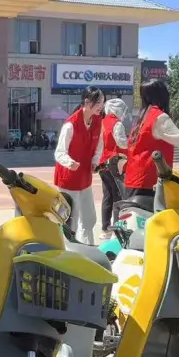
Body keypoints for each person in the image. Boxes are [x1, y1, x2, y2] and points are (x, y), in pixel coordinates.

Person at [53, 87, 106, 244]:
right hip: (68, 180)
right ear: (87, 102)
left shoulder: (98, 122)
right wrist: (69, 162)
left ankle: (88, 246)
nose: (101, 106)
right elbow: (59, 152)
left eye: (102, 102)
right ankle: (67, 247)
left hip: (85, 178)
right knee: (70, 218)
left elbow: (99, 145)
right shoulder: (70, 125)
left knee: (89, 218)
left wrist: (95, 161)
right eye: (98, 102)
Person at [97, 98, 128, 238]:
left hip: (102, 164)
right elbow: (121, 143)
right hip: (114, 163)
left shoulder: (102, 122)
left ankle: (105, 229)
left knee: (107, 196)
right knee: (118, 196)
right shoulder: (117, 124)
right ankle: (117, 229)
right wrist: (132, 142)